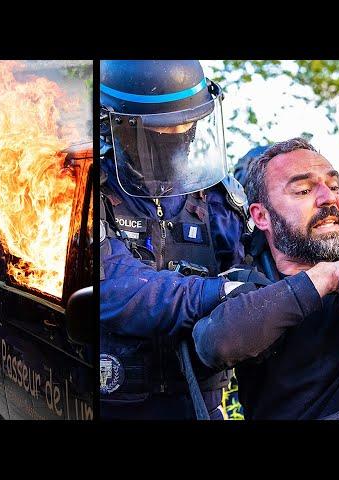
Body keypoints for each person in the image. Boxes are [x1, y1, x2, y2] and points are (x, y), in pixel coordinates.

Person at [193, 137, 339, 419]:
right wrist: (331, 276)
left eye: (334, 186)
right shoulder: (246, 276)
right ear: (261, 216)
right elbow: (216, 343)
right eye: (303, 190)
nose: (328, 198)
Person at [99, 60, 249, 420]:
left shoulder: (219, 200)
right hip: (116, 404)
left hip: (201, 402)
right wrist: (214, 292)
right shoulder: (90, 193)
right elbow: (115, 289)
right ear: (115, 128)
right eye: (161, 131)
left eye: (188, 125)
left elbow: (255, 272)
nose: (181, 135)